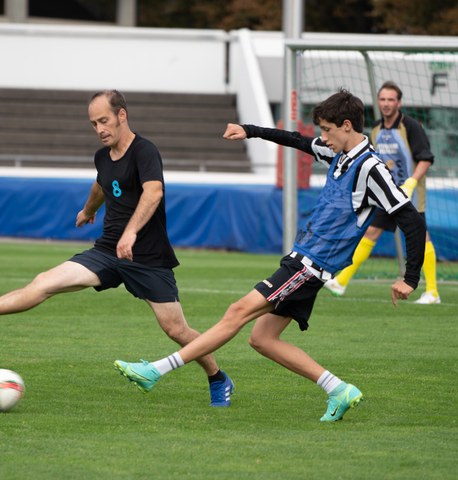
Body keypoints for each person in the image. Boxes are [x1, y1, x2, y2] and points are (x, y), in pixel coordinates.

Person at [114, 89, 426, 422]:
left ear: (346, 126)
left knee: (236, 311)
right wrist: (250, 130)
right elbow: (296, 139)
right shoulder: (338, 153)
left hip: (308, 266)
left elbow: (411, 218)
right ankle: (338, 389)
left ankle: (156, 371)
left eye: (327, 130)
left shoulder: (371, 168)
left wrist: (409, 278)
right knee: (262, 339)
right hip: (305, 261)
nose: (322, 138)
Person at [0, 89, 233, 407]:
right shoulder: (102, 156)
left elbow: (154, 193)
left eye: (104, 121)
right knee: (44, 282)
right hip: (107, 251)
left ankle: (218, 377)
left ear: (122, 115)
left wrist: (131, 233)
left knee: (176, 329)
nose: (99, 129)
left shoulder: (144, 151)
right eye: (94, 123)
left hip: (149, 258)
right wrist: (88, 210)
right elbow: (101, 182)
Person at [324, 81, 440, 304]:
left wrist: (411, 183)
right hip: (385, 193)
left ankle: (432, 291)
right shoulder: (376, 129)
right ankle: (340, 282)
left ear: (399, 103)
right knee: (371, 232)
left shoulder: (411, 126)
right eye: (383, 99)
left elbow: (425, 158)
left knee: (421, 236)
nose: (386, 104)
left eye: (391, 100)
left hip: (409, 195)